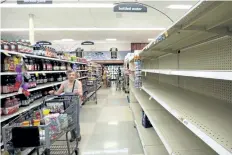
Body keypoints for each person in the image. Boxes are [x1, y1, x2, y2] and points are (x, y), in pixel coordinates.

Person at [49, 70, 82, 142]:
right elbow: (58, 92)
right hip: (67, 103)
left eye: (73, 75)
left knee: (75, 120)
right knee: (69, 120)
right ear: (67, 75)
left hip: (75, 103)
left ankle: (78, 135)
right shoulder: (64, 83)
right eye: (70, 75)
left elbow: (81, 93)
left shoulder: (78, 83)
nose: (71, 76)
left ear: (75, 76)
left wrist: (78, 93)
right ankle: (73, 136)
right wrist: (53, 92)